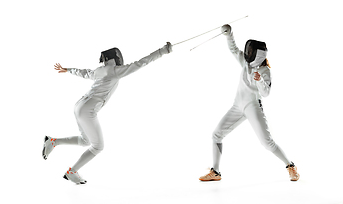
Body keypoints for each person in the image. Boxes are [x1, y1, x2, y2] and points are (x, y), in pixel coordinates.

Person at [43, 43, 172, 184]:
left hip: (79, 106)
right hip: (88, 110)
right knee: (98, 147)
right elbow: (141, 62)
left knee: (86, 141)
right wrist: (162, 51)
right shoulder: (116, 71)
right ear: (114, 57)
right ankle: (71, 172)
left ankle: (53, 141)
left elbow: (85, 73)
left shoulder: (100, 70)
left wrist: (68, 69)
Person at [199, 25, 300, 182]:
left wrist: (259, 80)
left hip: (253, 107)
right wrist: (229, 34)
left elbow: (266, 94)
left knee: (267, 143)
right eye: (248, 51)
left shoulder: (265, 71)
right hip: (237, 106)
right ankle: (216, 172)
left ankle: (290, 165)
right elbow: (234, 50)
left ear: (258, 55)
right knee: (216, 134)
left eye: (251, 52)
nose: (247, 53)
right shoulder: (246, 64)